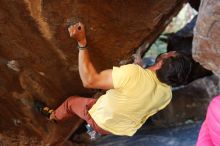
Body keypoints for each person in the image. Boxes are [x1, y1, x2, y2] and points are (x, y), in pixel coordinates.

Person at [36, 22, 192, 137]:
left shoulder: (134, 74)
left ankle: (53, 116)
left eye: (169, 53)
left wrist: (82, 43)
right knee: (105, 95)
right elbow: (146, 88)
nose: (168, 52)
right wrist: (140, 68)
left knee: (71, 102)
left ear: (161, 62)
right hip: (121, 128)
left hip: (103, 121)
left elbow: (89, 81)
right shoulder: (167, 94)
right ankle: (85, 130)